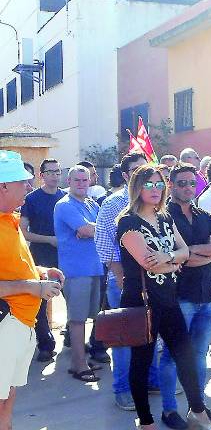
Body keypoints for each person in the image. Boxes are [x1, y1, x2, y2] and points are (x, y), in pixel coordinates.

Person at [117, 164, 211, 430]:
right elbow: (149, 263)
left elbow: (185, 250)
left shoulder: (165, 218)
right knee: (142, 361)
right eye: (149, 184)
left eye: (159, 184)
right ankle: (146, 421)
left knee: (186, 356)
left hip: (169, 300)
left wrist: (169, 258)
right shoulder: (128, 222)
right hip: (142, 302)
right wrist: (173, 262)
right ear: (137, 187)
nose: (155, 189)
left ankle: (198, 412)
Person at [159, 163, 211, 428]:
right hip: (178, 297)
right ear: (171, 185)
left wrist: (191, 251)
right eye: (181, 183)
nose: (188, 188)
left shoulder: (204, 215)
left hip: (206, 295)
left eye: (192, 183)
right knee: (171, 355)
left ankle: (196, 408)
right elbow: (172, 258)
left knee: (199, 355)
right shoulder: (163, 217)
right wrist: (200, 255)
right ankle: (169, 411)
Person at [0, 151, 65, 430]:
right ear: (3, 186)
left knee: (9, 392)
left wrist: (40, 272)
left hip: (21, 323)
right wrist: (31, 286)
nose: (29, 186)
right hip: (7, 323)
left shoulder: (10, 220)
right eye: (22, 182)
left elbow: (14, 267)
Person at [95, 152, 152, 411]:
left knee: (151, 335)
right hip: (125, 282)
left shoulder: (154, 203)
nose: (144, 175)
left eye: (147, 169)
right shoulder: (113, 204)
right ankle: (122, 389)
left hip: (154, 281)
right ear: (127, 175)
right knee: (124, 339)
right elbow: (105, 247)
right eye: (137, 170)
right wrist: (123, 280)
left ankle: (149, 381)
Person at [53, 166, 104, 382]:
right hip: (76, 271)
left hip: (94, 268)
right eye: (77, 180)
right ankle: (79, 365)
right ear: (69, 181)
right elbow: (86, 230)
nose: (82, 183)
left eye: (85, 179)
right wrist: (91, 229)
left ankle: (79, 360)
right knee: (77, 319)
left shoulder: (91, 203)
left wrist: (92, 229)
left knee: (89, 318)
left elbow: (94, 229)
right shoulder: (64, 205)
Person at [19, 158, 65, 363]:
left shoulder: (65, 197)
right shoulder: (30, 199)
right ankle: (45, 344)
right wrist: (49, 240)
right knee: (40, 303)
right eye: (50, 172)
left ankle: (74, 338)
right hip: (41, 255)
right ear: (42, 175)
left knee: (72, 297)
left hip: (65, 256)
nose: (55, 175)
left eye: (58, 171)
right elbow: (24, 232)